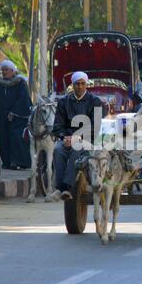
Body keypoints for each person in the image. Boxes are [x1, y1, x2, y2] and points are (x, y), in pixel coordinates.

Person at [52, 71, 104, 200]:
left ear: (86, 85)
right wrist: (65, 137)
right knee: (57, 150)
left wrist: (78, 137)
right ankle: (59, 188)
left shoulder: (96, 101)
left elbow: (96, 127)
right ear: (72, 85)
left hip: (86, 139)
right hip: (67, 139)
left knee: (77, 150)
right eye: (77, 84)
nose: (80, 87)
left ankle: (67, 188)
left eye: (82, 84)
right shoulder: (64, 102)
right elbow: (57, 126)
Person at [0, 60, 32, 170]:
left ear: (13, 71)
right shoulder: (1, 85)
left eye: (6, 69)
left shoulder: (20, 83)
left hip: (17, 118)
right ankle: (7, 162)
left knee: (17, 140)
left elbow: (23, 99)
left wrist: (14, 112)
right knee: (4, 139)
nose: (4, 72)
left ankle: (19, 162)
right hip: (4, 117)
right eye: (2, 70)